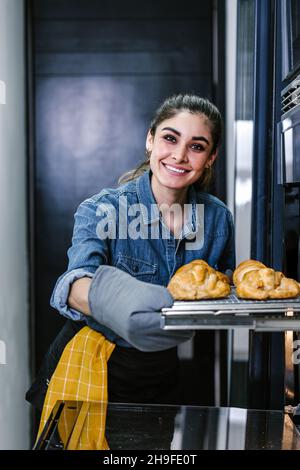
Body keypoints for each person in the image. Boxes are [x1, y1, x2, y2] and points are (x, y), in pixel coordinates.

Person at [27, 94, 235, 410]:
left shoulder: (217, 218)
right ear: (150, 140)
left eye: (196, 146)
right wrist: (118, 305)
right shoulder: (101, 209)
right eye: (170, 138)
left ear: (211, 156)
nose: (179, 155)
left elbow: (225, 289)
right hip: (89, 365)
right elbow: (75, 284)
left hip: (160, 373)